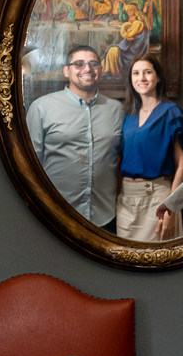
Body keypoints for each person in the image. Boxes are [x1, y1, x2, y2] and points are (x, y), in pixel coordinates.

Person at [26, 45, 124, 230]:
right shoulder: (42, 108)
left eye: (93, 64)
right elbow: (30, 166)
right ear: (66, 71)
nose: (87, 69)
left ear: (100, 70)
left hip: (105, 217)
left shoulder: (117, 110)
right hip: (55, 215)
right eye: (79, 64)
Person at [116, 55, 183, 241]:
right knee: (126, 262)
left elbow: (182, 164)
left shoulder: (171, 112)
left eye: (147, 72)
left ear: (157, 78)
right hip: (126, 201)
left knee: (160, 262)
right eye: (136, 73)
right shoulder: (127, 115)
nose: (141, 78)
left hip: (158, 200)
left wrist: (171, 208)